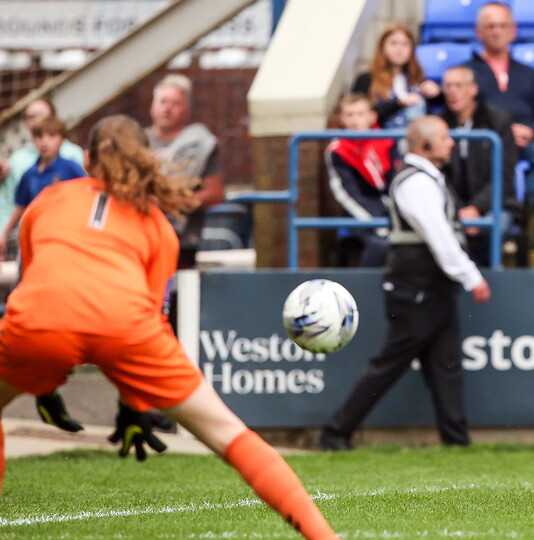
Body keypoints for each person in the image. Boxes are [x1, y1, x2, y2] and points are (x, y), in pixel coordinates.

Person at [0, 115, 338, 539]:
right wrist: (135, 405)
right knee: (228, 433)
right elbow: (150, 315)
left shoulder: (47, 200)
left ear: (86, 160)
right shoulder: (158, 226)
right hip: (128, 328)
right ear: (146, 158)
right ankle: (324, 537)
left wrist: (43, 386)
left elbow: (34, 293)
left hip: (38, 323)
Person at [320, 116, 491, 451]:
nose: (451, 142)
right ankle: (336, 432)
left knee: (446, 365)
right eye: (444, 137)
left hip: (431, 286)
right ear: (425, 146)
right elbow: (438, 237)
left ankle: (456, 441)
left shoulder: (426, 178)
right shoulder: (417, 183)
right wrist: (471, 277)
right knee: (392, 362)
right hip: (416, 286)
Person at [464, 2, 534, 207]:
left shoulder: (527, 73)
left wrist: (531, 132)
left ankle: (515, 208)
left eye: (503, 26)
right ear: (478, 32)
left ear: (513, 31)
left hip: (525, 142)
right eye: (490, 26)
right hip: (486, 144)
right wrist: (502, 131)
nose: (496, 32)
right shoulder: (466, 73)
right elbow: (463, 114)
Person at [439, 65, 523, 266]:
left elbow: (504, 174)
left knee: (497, 226)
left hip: (495, 203)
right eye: (447, 86)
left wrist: (476, 208)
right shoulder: (439, 125)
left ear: (473, 89)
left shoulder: (497, 121)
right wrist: (459, 210)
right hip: (452, 206)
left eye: (458, 85)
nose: (452, 91)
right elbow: (439, 176)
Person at [147, 73, 226, 271]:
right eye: (163, 101)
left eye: (175, 103)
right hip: (143, 237)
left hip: (182, 242)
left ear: (186, 109)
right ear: (153, 105)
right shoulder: (138, 141)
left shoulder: (201, 144)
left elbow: (215, 193)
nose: (167, 108)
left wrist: (174, 202)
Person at [0, 97, 84, 259]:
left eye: (51, 136)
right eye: (40, 137)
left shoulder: (71, 162)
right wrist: (4, 233)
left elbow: (87, 192)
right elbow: (18, 204)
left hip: (66, 232)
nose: (45, 142)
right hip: (34, 234)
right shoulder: (27, 169)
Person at [325, 93, 396, 267]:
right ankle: (364, 289)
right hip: (360, 212)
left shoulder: (387, 140)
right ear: (342, 119)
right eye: (349, 115)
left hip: (389, 207)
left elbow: (396, 180)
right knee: (380, 243)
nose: (354, 120)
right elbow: (346, 193)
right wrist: (375, 221)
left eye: (360, 114)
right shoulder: (337, 150)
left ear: (372, 117)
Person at [351, 23, 442, 129]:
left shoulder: (419, 79)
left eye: (405, 44)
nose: (399, 49)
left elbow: (438, 110)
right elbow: (359, 116)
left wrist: (438, 94)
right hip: (381, 141)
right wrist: (399, 104)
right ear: (383, 48)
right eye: (393, 43)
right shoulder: (366, 79)